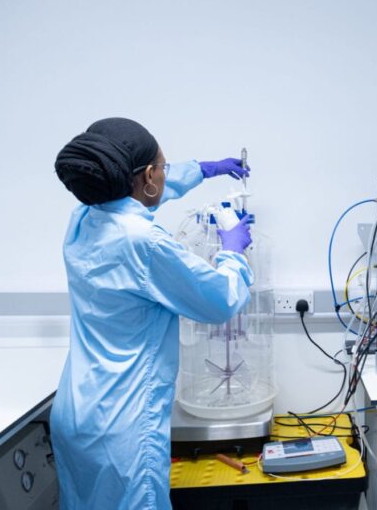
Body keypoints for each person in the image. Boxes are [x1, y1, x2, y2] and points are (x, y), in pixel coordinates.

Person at [51, 117, 254, 509]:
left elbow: (144, 189)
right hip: (122, 427)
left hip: (76, 413)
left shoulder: (82, 219)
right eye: (163, 165)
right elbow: (222, 300)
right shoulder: (143, 243)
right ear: (146, 175)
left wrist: (202, 170)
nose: (165, 173)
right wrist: (233, 251)